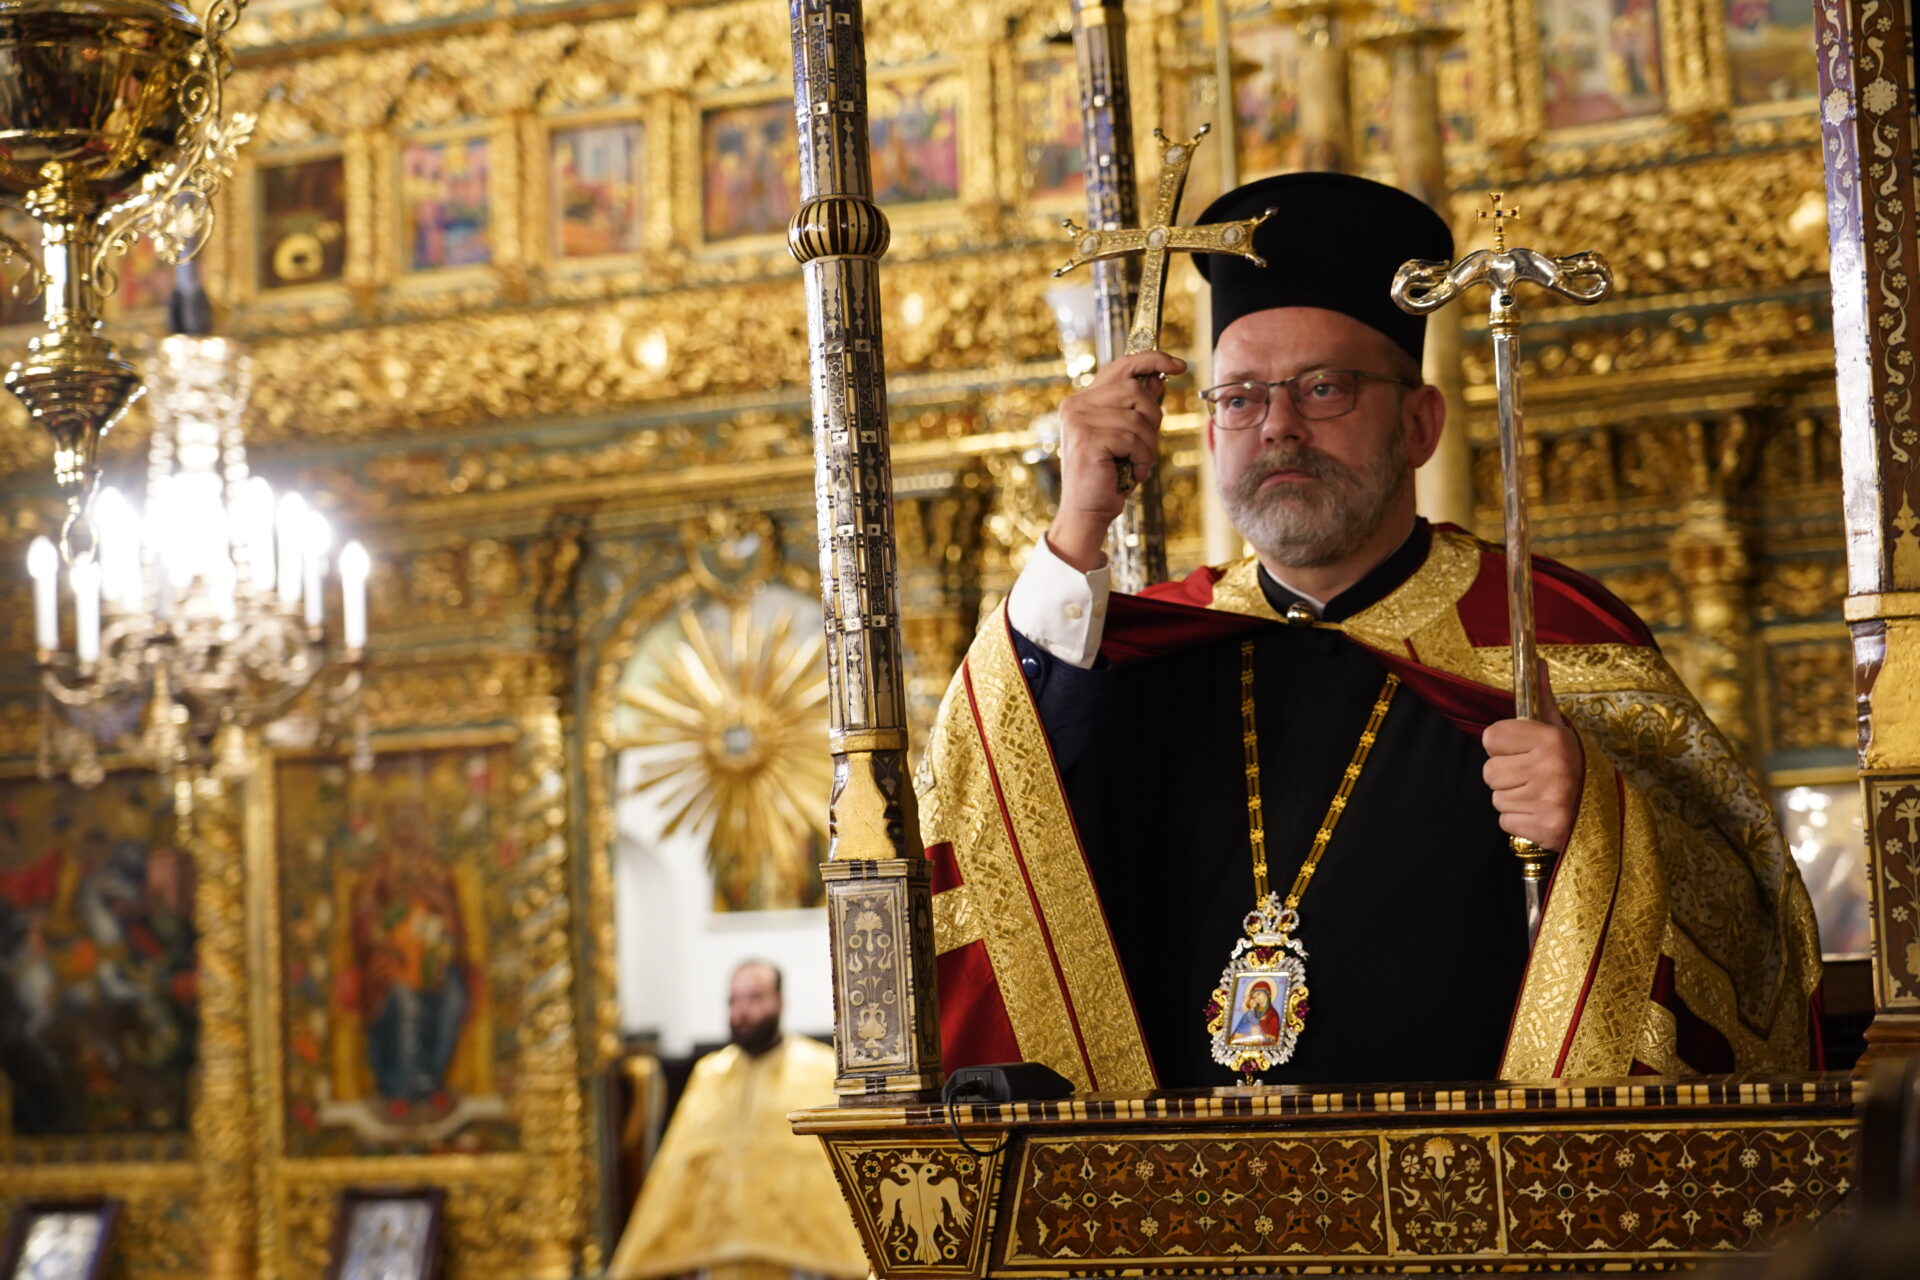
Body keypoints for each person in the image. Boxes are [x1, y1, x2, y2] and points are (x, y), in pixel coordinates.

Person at [919, 172, 1823, 1090]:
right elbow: (987, 816)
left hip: (1475, 1172)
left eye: (1325, 388)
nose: (1278, 427)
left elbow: (1753, 938)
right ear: (1211, 433)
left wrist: (1597, 817)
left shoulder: (1540, 631)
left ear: (1421, 424)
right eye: (1240, 398)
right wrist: (1076, 528)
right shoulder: (1147, 655)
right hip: (1186, 1173)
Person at [608, 959, 866, 1280]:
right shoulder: (710, 1074)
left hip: (803, 1262)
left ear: (779, 1002)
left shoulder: (819, 1068)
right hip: (719, 1258)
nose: (742, 1011)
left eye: (755, 998)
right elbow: (677, 1172)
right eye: (734, 1000)